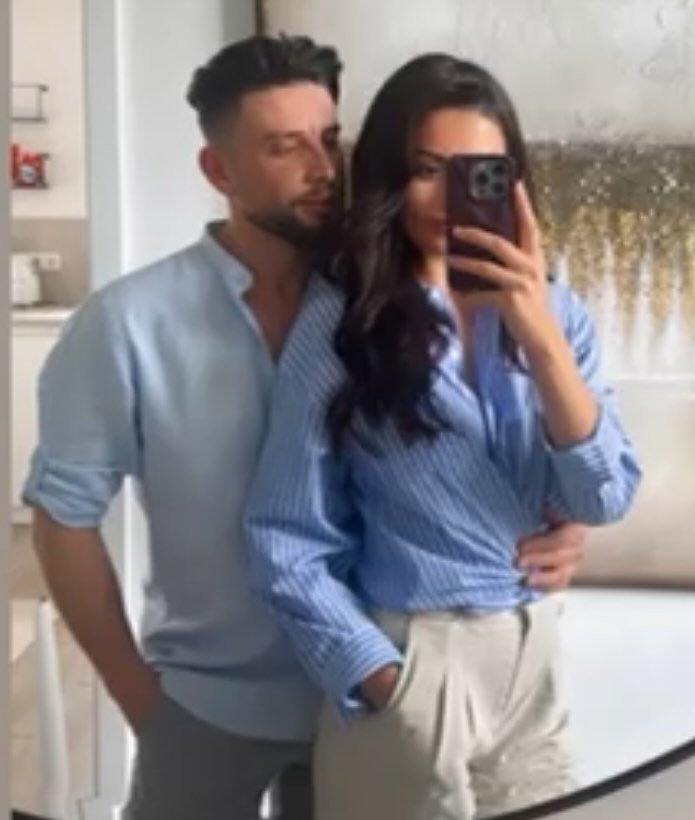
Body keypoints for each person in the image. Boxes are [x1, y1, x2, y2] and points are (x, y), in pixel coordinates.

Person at [22, 36, 589, 820]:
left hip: (382, 696)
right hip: (213, 706)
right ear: (219, 171)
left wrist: (560, 524)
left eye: (329, 140)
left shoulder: (394, 304)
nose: (322, 170)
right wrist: (141, 702)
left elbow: (499, 455)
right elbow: (63, 520)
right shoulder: (126, 324)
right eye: (284, 148)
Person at [244, 53, 642, 820]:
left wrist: (538, 333)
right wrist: (382, 678)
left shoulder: (558, 313)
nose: (448, 197)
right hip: (414, 663)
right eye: (427, 169)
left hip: (534, 661)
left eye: (477, 173)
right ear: (391, 175)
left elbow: (604, 495)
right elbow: (284, 537)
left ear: (511, 181)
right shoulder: (341, 321)